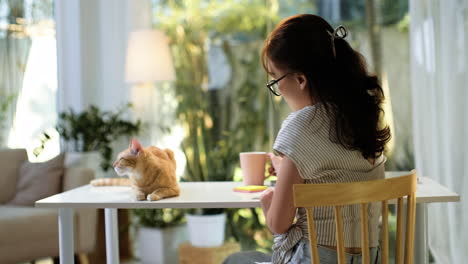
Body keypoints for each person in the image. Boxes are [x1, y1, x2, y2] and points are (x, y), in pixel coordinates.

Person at [223, 14, 391, 264]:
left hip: (316, 259)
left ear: (301, 79)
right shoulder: (365, 116)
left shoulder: (301, 125)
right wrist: (291, 168)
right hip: (371, 258)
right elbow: (339, 170)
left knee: (236, 260)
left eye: (275, 79)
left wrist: (268, 202)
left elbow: (278, 224)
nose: (277, 89)